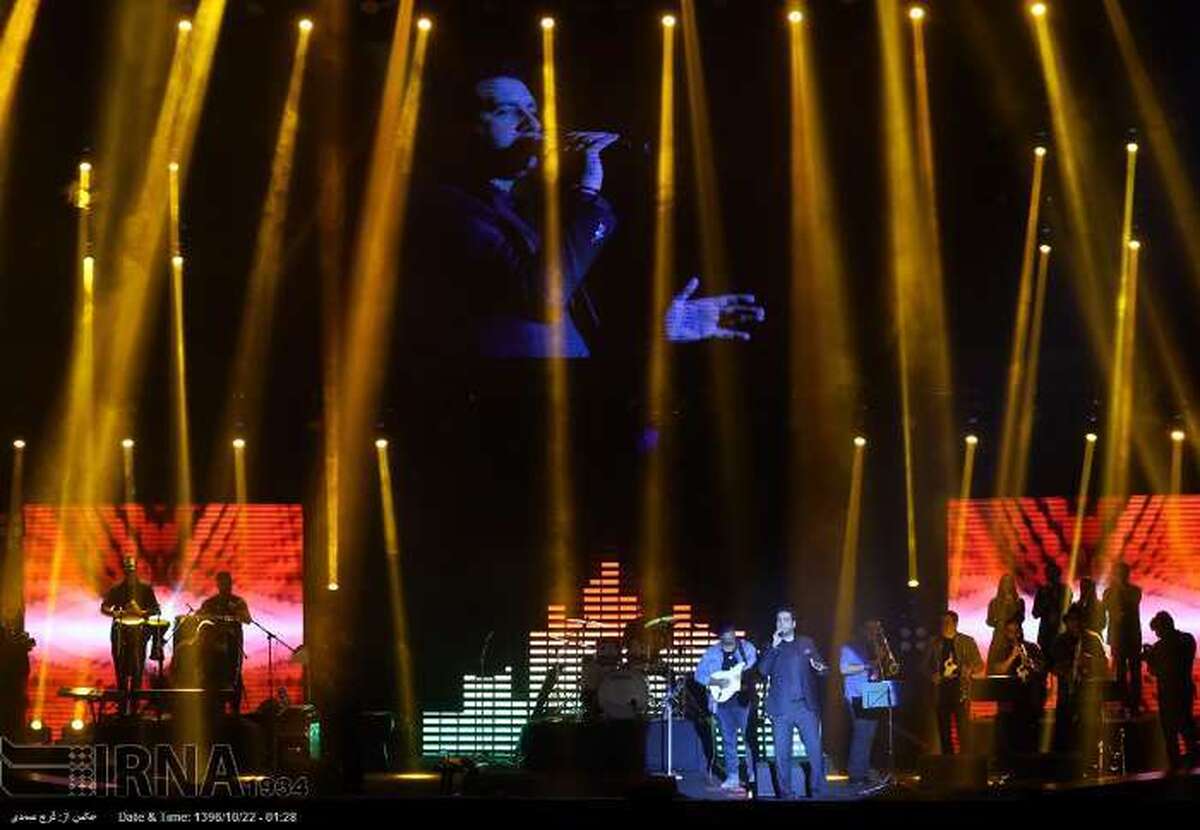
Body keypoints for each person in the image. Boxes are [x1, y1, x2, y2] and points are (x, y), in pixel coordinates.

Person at [405, 67, 765, 359]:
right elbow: (541, 297)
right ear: (464, 130)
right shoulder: (448, 208)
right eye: (506, 111)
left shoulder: (529, 212)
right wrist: (588, 192)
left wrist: (661, 329)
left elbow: (566, 328)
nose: (532, 123)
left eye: (532, 108)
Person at [756, 608, 828, 799]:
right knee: (782, 755)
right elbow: (762, 671)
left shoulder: (806, 643)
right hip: (781, 708)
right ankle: (786, 794)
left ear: (794, 624)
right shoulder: (771, 646)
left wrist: (820, 668)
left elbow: (822, 667)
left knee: (815, 751)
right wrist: (773, 647)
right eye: (779, 620)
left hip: (805, 707)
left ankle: (817, 791)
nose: (782, 623)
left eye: (786, 620)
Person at [694, 622, 760, 790]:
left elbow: (753, 664)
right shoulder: (712, 652)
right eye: (725, 633)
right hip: (722, 702)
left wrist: (740, 673)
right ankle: (733, 776)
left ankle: (754, 774)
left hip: (744, 700)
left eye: (731, 633)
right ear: (720, 636)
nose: (729, 636)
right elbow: (699, 675)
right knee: (728, 740)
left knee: (749, 738)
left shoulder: (746, 648)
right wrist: (716, 681)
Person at [99, 556, 160, 715]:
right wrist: (115, 613)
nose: (129, 574)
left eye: (131, 571)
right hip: (120, 631)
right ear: (124, 571)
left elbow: (156, 609)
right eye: (127, 571)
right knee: (120, 668)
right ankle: (122, 709)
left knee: (137, 669)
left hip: (139, 632)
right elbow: (104, 607)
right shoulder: (117, 589)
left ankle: (134, 709)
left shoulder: (145, 589)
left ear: (135, 571)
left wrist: (141, 613)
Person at [1141, 611, 1197, 770]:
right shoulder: (1188, 639)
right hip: (1185, 689)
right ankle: (1193, 763)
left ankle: (1175, 767)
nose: (1157, 635)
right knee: (1187, 728)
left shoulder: (1160, 647)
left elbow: (1154, 671)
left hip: (1168, 694)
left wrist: (1149, 657)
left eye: (1157, 631)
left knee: (1170, 734)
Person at [838, 620, 891, 788]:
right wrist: (868, 665)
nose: (874, 631)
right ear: (862, 629)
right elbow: (844, 669)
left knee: (869, 735)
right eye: (871, 628)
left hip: (873, 692)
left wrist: (882, 655)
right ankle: (856, 774)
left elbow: (879, 667)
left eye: (876, 628)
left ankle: (863, 770)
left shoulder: (873, 646)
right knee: (861, 734)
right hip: (857, 694)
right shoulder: (850, 647)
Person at [1050, 603, 1108, 756]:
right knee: (1065, 734)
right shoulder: (1060, 641)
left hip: (1088, 696)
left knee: (1090, 733)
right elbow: (1052, 667)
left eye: (1078, 620)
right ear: (1067, 622)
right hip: (1067, 695)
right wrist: (1068, 667)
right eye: (1072, 620)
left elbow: (1103, 666)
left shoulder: (1093, 639)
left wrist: (1090, 661)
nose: (1075, 623)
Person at [926, 610, 983, 755]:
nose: (944, 625)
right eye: (942, 622)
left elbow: (979, 664)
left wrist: (969, 670)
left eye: (948, 622)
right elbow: (923, 666)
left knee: (963, 730)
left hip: (960, 690)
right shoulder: (934, 643)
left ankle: (965, 761)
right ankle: (948, 761)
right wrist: (931, 675)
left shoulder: (967, 641)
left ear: (955, 623)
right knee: (944, 730)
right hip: (941, 690)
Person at [988, 616, 1047, 758]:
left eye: (1016, 631)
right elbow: (997, 670)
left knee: (1030, 737)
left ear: (1020, 632)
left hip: (1030, 699)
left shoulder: (1032, 647)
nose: (1013, 635)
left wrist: (1029, 662)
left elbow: (1042, 669)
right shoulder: (1001, 649)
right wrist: (1012, 657)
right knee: (1009, 737)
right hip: (1009, 702)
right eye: (1009, 632)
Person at [198, 572, 252, 711]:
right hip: (214, 648)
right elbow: (198, 617)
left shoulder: (238, 602)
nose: (225, 586)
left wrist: (236, 612)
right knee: (215, 677)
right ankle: (217, 711)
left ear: (231, 584)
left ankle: (235, 712)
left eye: (227, 583)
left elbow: (247, 619)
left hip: (233, 645)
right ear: (218, 584)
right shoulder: (210, 602)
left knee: (234, 676)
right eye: (222, 583)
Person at [1102, 562, 1143, 716]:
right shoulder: (1109, 592)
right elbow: (1108, 607)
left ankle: (1134, 704)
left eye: (1122, 573)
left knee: (1135, 671)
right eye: (1118, 573)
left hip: (1132, 637)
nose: (1120, 576)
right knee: (1120, 672)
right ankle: (1123, 703)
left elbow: (1132, 602)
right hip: (1118, 637)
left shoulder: (1135, 590)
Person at [985, 574, 1026, 670]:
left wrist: (1013, 606)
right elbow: (989, 621)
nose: (1007, 586)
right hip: (999, 637)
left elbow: (1021, 618)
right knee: (996, 664)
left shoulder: (1019, 602)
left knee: (1017, 664)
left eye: (1009, 583)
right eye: (1005, 583)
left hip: (1015, 636)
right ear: (1001, 585)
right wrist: (999, 622)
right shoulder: (994, 602)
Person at [1032, 561, 1068, 658]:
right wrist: (1046, 601)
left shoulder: (1064, 590)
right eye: (1049, 573)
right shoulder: (1042, 591)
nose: (1051, 576)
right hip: (1046, 634)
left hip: (1060, 633)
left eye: (1053, 573)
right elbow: (1035, 613)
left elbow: (1068, 610)